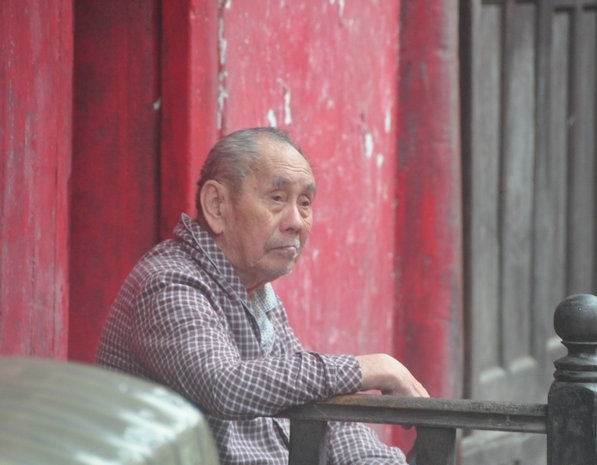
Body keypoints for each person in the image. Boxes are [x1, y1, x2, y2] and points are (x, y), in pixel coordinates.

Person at [96, 127, 429, 464]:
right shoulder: (169, 283)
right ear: (217, 205)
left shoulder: (255, 294)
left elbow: (323, 410)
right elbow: (225, 385)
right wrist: (370, 368)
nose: (295, 222)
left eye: (304, 203)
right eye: (277, 198)